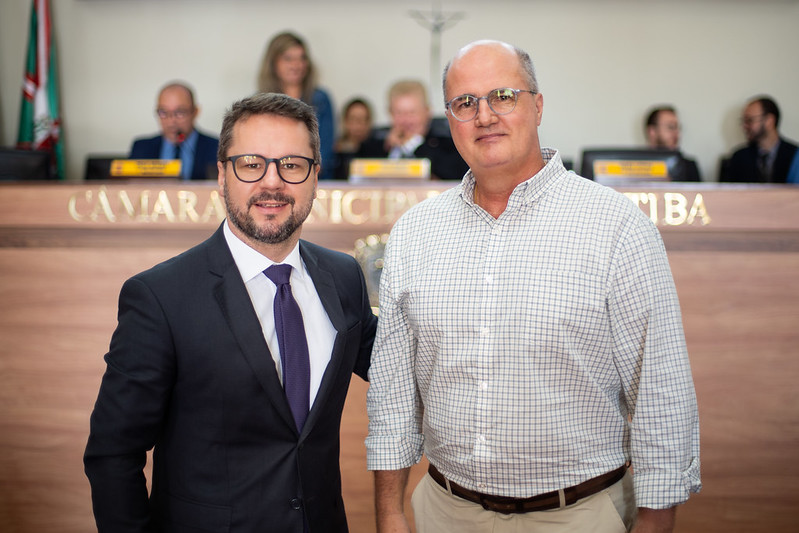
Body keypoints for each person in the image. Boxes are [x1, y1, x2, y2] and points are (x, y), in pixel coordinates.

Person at [366, 40, 701, 533]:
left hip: (581, 514)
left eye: (503, 96)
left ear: (538, 106)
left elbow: (660, 388)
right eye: (465, 103)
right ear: (449, 120)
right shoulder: (416, 232)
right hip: (445, 511)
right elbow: (392, 390)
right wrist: (390, 512)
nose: (484, 116)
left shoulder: (616, 227)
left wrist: (655, 521)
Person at [85, 92, 377, 532]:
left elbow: (399, 366)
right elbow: (113, 453)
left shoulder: (343, 277)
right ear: (222, 175)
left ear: (316, 177)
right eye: (251, 164)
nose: (272, 182)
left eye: (292, 164)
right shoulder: (160, 297)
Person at [259, 31, 335, 180]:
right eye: (288, 59)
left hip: (314, 180)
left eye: (302, 58)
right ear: (273, 63)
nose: (296, 65)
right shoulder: (258, 103)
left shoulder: (321, 99)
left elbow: (325, 151)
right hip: (270, 179)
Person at [356, 79, 468, 180]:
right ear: (390, 113)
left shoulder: (448, 146)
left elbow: (451, 175)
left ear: (427, 111)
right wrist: (388, 148)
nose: (406, 121)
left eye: (412, 113)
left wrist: (412, 145)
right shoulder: (374, 145)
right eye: (399, 113)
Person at [129, 81, 219, 180]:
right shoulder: (141, 148)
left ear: (195, 112)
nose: (171, 121)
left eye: (180, 112)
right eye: (163, 112)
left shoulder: (216, 148)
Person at [720, 96, 798, 183]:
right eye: (744, 121)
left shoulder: (795, 155)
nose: (744, 126)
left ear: (769, 121)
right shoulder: (739, 157)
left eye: (750, 120)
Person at [644, 105, 701, 181]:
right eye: (671, 127)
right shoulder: (637, 165)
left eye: (678, 128)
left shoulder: (689, 167)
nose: (676, 133)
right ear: (652, 131)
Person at [333, 97, 373, 179]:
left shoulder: (380, 149)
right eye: (354, 119)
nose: (359, 125)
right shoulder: (334, 151)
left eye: (363, 119)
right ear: (345, 121)